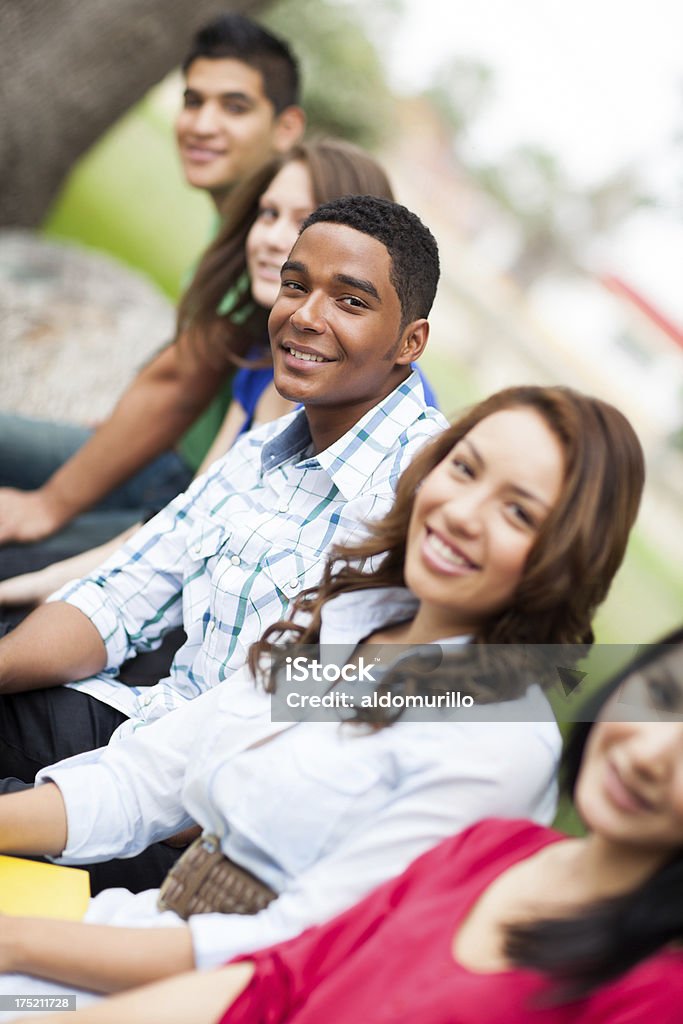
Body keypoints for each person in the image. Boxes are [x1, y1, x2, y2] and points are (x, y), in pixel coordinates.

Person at [0, 384, 644, 1014]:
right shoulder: (355, 619)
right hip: (130, 934)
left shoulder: (498, 742)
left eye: (518, 512)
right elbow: (149, 779)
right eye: (464, 469)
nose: (461, 513)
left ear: (565, 558)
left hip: (219, 996)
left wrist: (20, 943)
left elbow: (289, 949)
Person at [0, 195, 446, 786]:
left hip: (221, 808)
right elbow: (120, 597)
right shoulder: (263, 449)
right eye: (295, 285)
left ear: (411, 342)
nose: (306, 316)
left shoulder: (427, 491)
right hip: (147, 733)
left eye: (350, 301)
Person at [0, 138, 423, 610]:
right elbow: (189, 515)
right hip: (170, 519)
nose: (274, 237)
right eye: (268, 213)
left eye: (303, 221)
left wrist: (44, 560)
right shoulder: (265, 354)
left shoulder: (344, 388)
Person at [0, 14, 306, 560]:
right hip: (150, 452)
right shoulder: (235, 224)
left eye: (234, 107)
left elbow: (182, 382)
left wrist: (46, 504)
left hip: (181, 483)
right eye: (193, 101)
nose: (202, 124)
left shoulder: (277, 249)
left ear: (285, 128)